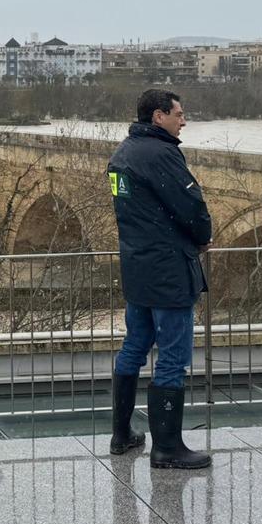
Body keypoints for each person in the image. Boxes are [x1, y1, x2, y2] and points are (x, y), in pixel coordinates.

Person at [107, 89, 213, 468]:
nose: (183, 121)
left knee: (134, 345)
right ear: (158, 116)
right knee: (171, 357)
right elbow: (190, 207)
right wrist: (203, 238)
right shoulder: (162, 154)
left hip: (137, 269)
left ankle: (122, 434)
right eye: (178, 114)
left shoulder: (121, 155)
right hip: (168, 271)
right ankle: (167, 448)